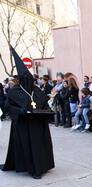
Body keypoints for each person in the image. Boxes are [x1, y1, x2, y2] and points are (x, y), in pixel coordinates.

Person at [0, 46, 54, 179]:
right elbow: (8, 107)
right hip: (23, 124)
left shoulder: (37, 91)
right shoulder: (15, 91)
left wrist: (48, 111)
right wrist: (20, 111)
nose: (30, 82)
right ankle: (31, 168)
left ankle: (42, 166)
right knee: (27, 146)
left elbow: (45, 104)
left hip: (38, 124)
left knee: (39, 146)